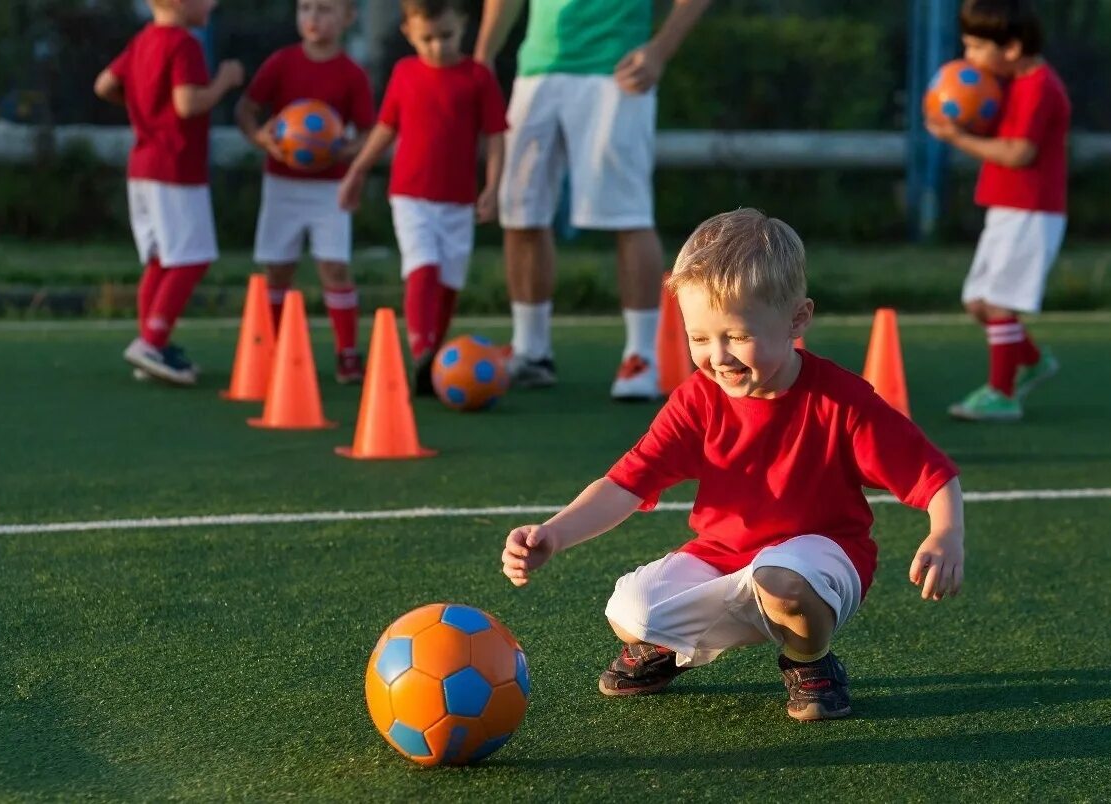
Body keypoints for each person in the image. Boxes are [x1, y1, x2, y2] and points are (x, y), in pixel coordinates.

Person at [500, 209, 965, 720]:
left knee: (779, 579)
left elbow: (932, 474)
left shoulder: (842, 402)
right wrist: (554, 534)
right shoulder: (697, 400)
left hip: (821, 564)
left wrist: (945, 534)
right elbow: (625, 483)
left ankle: (810, 662)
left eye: (738, 335)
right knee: (631, 611)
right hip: (723, 558)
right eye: (700, 338)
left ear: (797, 319)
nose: (718, 355)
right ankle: (667, 647)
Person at [475, 0, 712, 400]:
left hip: (616, 71)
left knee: (629, 215)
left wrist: (659, 51)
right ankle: (531, 352)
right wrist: (481, 58)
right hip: (536, 70)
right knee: (519, 212)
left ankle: (641, 357)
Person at [339, 0, 507, 395]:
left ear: (463, 26)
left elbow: (496, 137)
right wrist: (357, 170)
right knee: (422, 267)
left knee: (448, 280)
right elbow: (385, 128)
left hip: (458, 200)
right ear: (408, 34)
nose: (436, 46)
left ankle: (432, 358)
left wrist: (493, 186)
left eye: (445, 36)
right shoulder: (404, 73)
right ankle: (422, 349)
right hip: (410, 195)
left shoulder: (477, 76)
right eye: (426, 38)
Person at [927, 0, 1070, 422]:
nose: (969, 57)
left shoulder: (1039, 87)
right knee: (977, 301)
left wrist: (954, 136)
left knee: (1000, 302)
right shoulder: (1010, 81)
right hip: (1007, 209)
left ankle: (1001, 393)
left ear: (1010, 49)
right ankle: (1030, 360)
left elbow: (1018, 152)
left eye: (975, 46)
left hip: (1032, 209)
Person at [95, 0, 244, 386]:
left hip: (142, 166)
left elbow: (105, 85)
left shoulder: (143, 40)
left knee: (162, 259)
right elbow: (187, 103)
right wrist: (224, 81)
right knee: (191, 259)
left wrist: (141, 105)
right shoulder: (184, 43)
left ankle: (153, 346)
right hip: (176, 168)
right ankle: (151, 341)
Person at [235, 0, 375, 384]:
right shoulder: (281, 62)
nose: (313, 18)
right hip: (282, 183)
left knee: (334, 267)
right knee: (278, 269)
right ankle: (271, 349)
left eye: (326, 9)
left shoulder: (351, 74)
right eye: (305, 8)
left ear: (348, 18)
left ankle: (347, 353)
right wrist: (261, 137)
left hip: (330, 187)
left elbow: (367, 132)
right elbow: (246, 109)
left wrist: (346, 152)